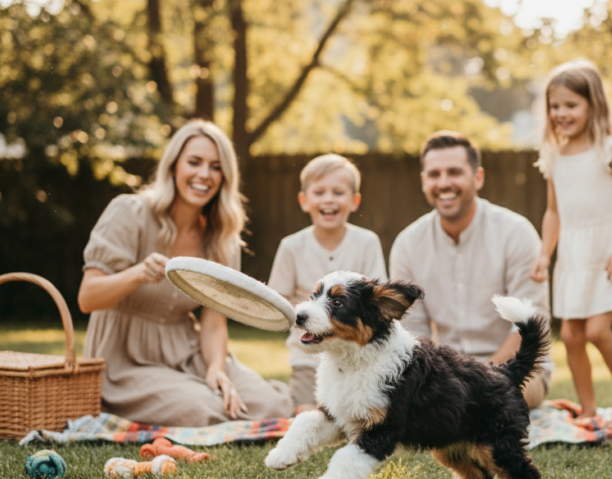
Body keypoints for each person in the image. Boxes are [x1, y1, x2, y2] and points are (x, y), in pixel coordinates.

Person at [78, 119, 293, 427]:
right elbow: (87, 298)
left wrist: (216, 369)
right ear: (174, 166)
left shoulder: (222, 237)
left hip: (187, 350)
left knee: (270, 404)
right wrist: (137, 274)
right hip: (124, 359)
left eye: (216, 167)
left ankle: (210, 386)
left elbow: (214, 321)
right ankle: (187, 397)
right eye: (194, 162)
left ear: (225, 176)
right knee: (203, 408)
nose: (204, 174)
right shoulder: (129, 212)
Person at [530, 59, 612, 425]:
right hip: (574, 254)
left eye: (571, 105)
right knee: (571, 335)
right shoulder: (554, 154)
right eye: (555, 106)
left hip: (609, 251)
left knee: (597, 330)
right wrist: (545, 254)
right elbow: (553, 212)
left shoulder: (611, 148)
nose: (561, 113)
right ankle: (588, 410)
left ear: (593, 104)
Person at [389, 130, 552, 409]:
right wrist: (441, 380)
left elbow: (530, 322)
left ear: (478, 178)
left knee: (492, 403)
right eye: (434, 174)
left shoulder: (516, 233)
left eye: (454, 172)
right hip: (443, 373)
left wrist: (478, 379)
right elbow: (410, 332)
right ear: (424, 181)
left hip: (516, 369)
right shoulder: (407, 243)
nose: (444, 183)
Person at [267, 154, 387, 408]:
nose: (329, 199)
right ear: (304, 200)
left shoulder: (367, 243)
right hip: (307, 360)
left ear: (354, 201)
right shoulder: (291, 247)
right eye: (319, 192)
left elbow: (375, 302)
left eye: (338, 192)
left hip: (355, 360)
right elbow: (277, 302)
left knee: (359, 417)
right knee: (307, 412)